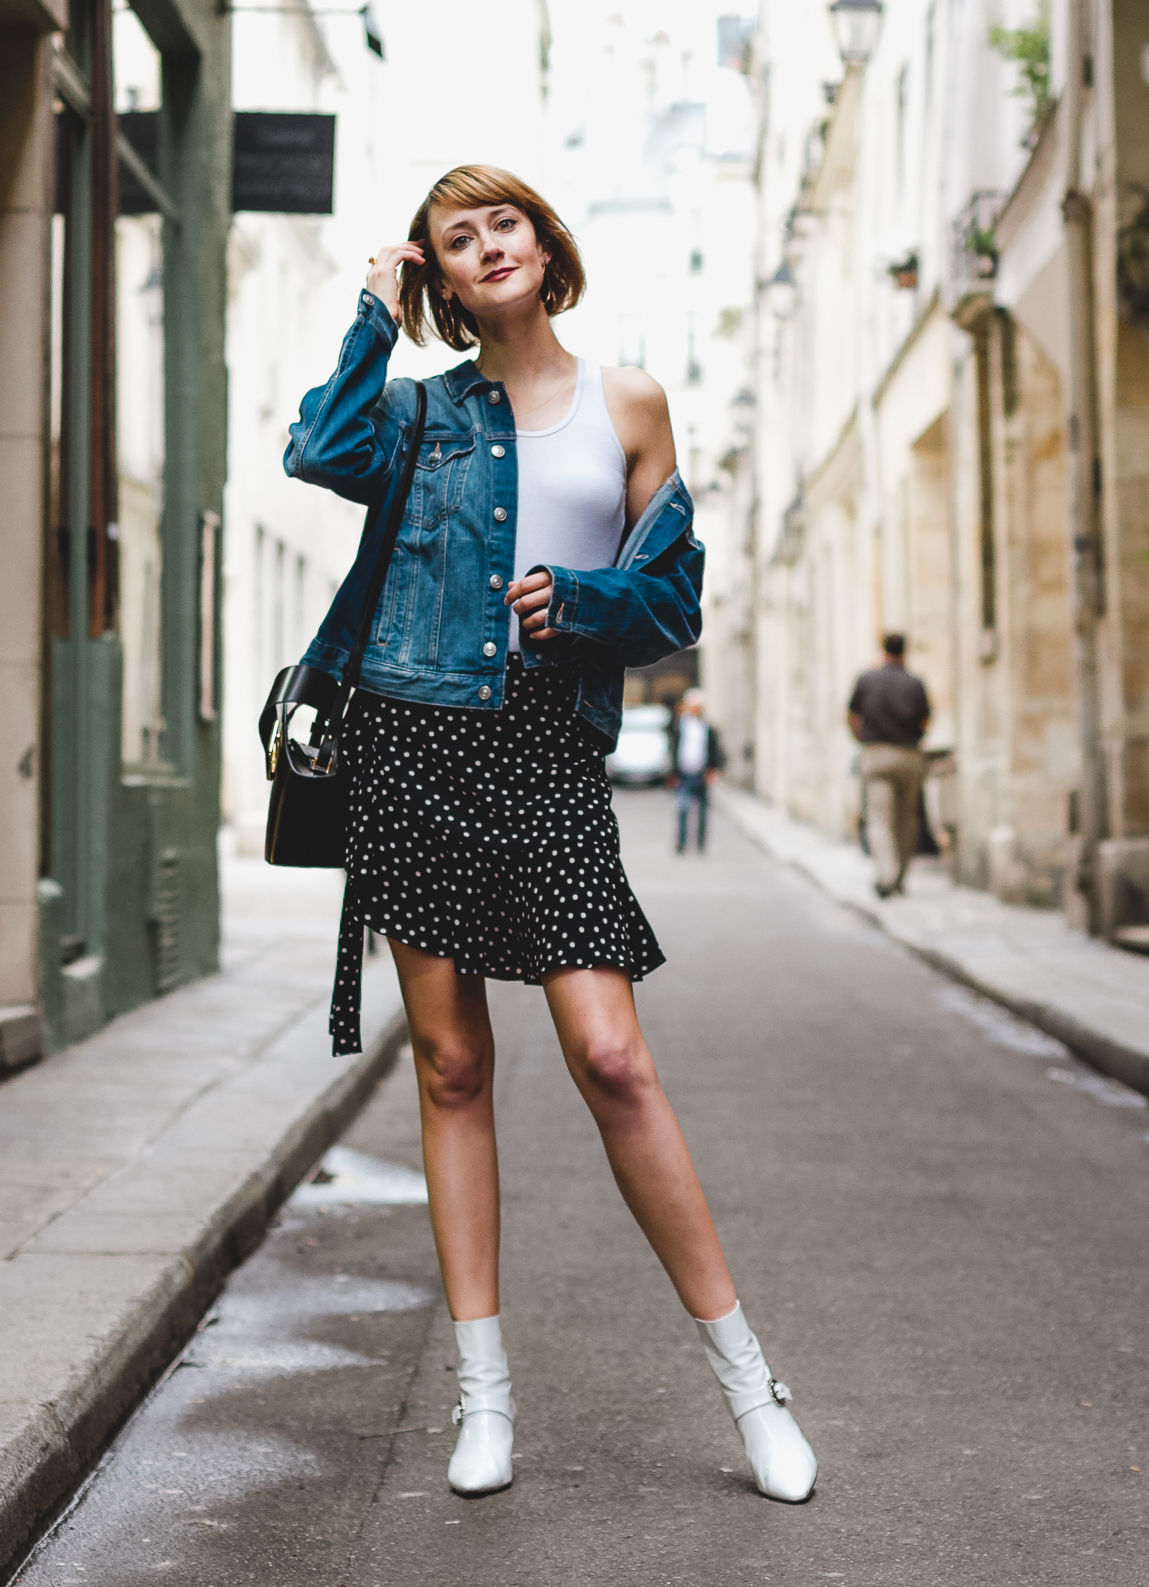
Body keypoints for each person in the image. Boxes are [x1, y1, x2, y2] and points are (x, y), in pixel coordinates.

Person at [284, 166, 817, 1505]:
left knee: (613, 1054)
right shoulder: (415, 414)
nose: (486, 244)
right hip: (412, 741)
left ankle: (752, 1381)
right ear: (443, 281)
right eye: (455, 239)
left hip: (542, 754)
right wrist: (371, 311)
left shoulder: (632, 399)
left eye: (502, 221)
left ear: (543, 241)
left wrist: (576, 603)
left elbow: (672, 598)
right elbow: (318, 450)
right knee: (452, 1068)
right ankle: (483, 1395)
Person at [847, 632, 931, 898]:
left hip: (877, 755)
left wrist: (862, 739)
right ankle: (901, 877)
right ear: (905, 651)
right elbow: (925, 721)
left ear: (882, 650)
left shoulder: (867, 680)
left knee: (879, 820)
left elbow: (851, 715)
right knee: (907, 820)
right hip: (909, 755)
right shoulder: (915, 683)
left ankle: (886, 873)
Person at [668, 688, 722, 853]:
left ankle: (700, 844)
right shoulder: (679, 726)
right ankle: (681, 843)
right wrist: (672, 772)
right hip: (684, 773)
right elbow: (672, 749)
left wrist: (713, 769)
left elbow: (714, 749)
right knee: (682, 809)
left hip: (701, 773)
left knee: (702, 812)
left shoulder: (706, 727)